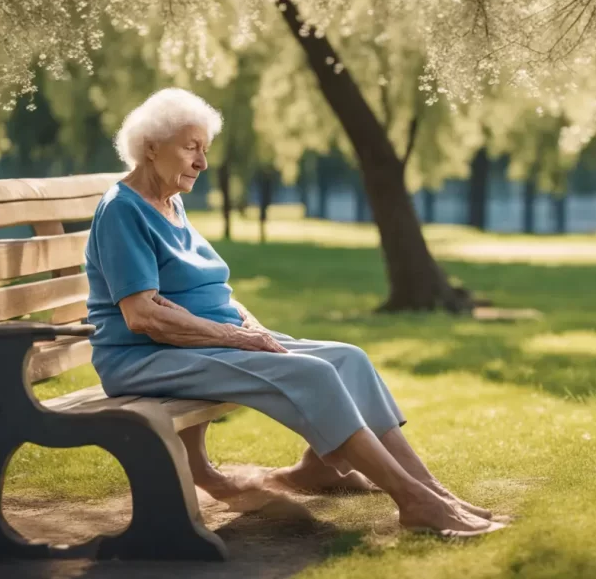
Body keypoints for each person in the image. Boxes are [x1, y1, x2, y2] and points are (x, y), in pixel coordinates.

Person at [84, 88, 504, 537]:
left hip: (203, 340)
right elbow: (143, 316)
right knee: (314, 375)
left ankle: (432, 489)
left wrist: (247, 321)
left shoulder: (169, 202)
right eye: (191, 148)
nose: (202, 163)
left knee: (348, 359)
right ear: (151, 147)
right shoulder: (123, 211)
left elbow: (199, 287)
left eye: (205, 150)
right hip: (143, 357)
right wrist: (238, 337)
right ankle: (415, 502)